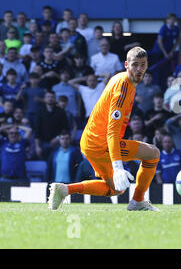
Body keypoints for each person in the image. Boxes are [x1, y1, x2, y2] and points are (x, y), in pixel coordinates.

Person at [48, 47, 161, 212]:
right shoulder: (123, 87)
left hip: (94, 141)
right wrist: (117, 167)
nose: (139, 69)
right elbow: (112, 131)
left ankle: (65, 190)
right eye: (135, 64)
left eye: (142, 65)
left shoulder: (121, 79)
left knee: (117, 187)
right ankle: (137, 201)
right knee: (151, 155)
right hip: (100, 144)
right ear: (126, 65)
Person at [34, 90, 69, 160]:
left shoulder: (61, 111)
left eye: (52, 97)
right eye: (48, 97)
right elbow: (37, 130)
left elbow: (66, 128)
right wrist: (37, 146)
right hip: (43, 143)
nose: (50, 98)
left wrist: (57, 138)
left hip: (58, 143)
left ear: (55, 99)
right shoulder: (40, 112)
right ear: (44, 99)